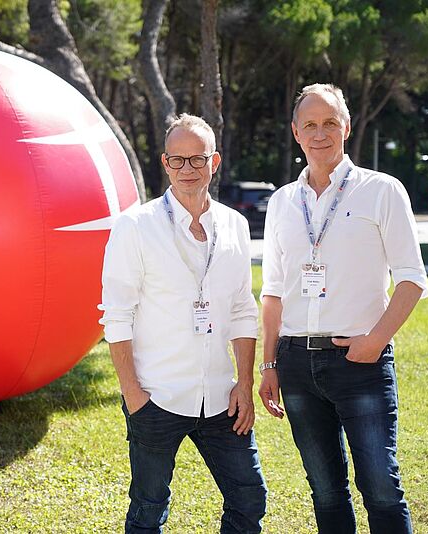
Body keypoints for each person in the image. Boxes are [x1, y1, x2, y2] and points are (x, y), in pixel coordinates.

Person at [258, 83, 428, 534]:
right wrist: (269, 364)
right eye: (310, 125)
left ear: (347, 127)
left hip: (360, 362)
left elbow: (412, 279)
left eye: (330, 123)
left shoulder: (382, 190)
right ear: (296, 132)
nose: (320, 134)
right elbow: (273, 292)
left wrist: (375, 342)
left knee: (381, 488)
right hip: (295, 364)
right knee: (325, 490)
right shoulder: (282, 202)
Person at [100, 113, 267, 533]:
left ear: (215, 162)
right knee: (148, 509)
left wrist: (244, 383)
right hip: (156, 396)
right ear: (165, 162)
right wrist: (133, 394)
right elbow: (117, 315)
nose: (187, 169)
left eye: (198, 159)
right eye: (177, 160)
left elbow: (242, 310)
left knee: (249, 497)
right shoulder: (135, 226)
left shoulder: (235, 225)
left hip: (222, 398)